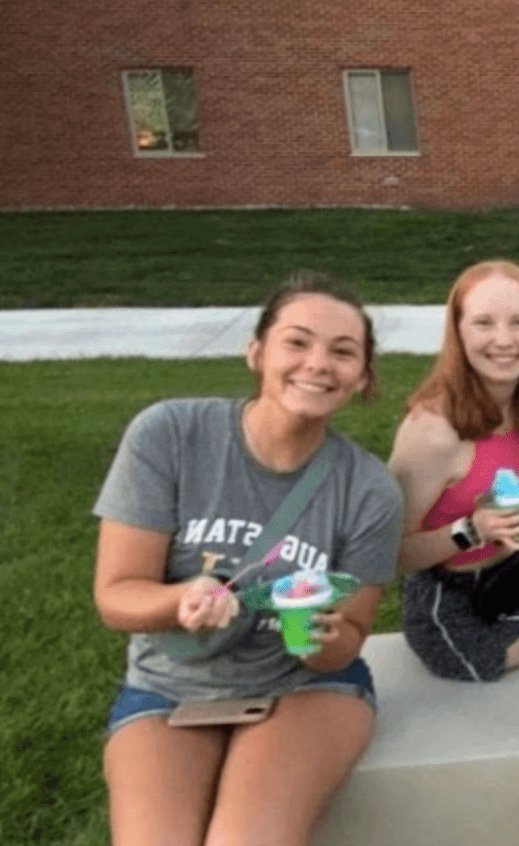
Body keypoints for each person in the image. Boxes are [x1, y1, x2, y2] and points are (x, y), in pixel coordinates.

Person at [93, 271, 402, 846]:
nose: (317, 363)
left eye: (343, 352)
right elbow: (116, 595)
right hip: (168, 684)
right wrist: (180, 599)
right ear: (256, 351)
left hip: (304, 689)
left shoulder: (368, 488)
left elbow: (349, 635)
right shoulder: (170, 434)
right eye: (297, 342)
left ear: (361, 377)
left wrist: (314, 635)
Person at [388, 259, 519, 683]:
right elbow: (392, 552)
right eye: (483, 323)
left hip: (513, 581)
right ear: (458, 333)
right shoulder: (431, 431)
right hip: (457, 616)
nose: (504, 340)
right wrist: (473, 529)